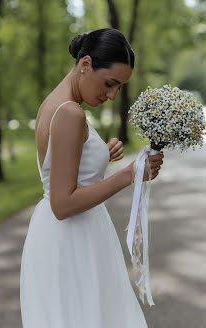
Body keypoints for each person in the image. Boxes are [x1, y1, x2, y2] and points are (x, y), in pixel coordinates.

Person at [20, 28, 164, 327]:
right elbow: (62, 203)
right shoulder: (71, 113)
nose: (112, 95)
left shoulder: (55, 104)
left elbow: (60, 168)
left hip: (62, 237)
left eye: (119, 88)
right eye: (110, 83)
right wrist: (129, 175)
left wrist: (99, 153)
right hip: (72, 240)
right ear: (85, 64)